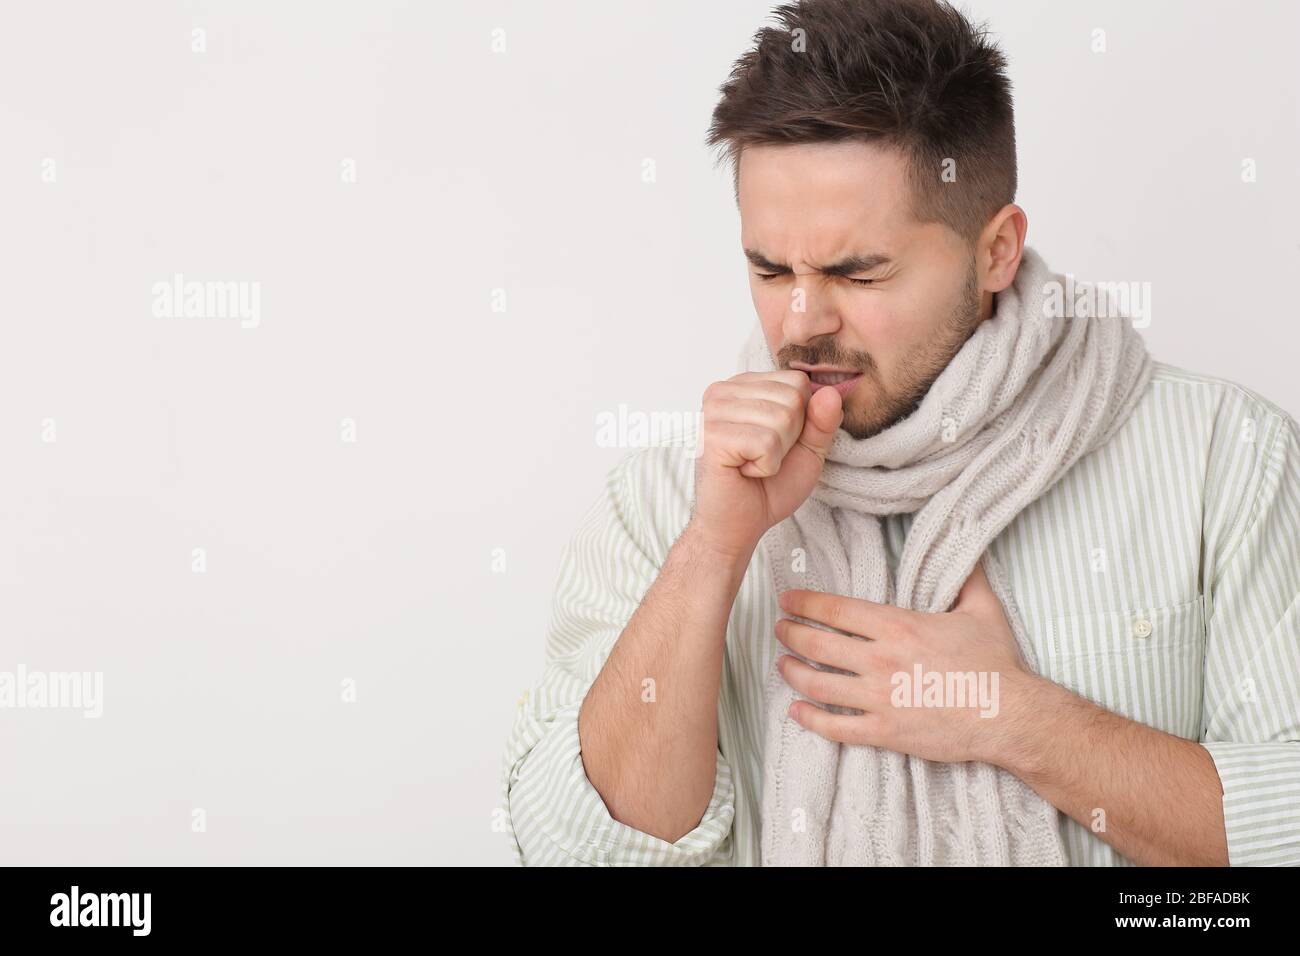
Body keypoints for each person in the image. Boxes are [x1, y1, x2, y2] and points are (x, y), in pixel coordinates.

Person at [500, 0, 1300, 866]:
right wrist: (712, 550)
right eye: (769, 269)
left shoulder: (1227, 458)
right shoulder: (668, 496)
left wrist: (1014, 719)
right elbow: (573, 849)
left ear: (996, 250)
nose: (801, 321)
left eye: (858, 271)